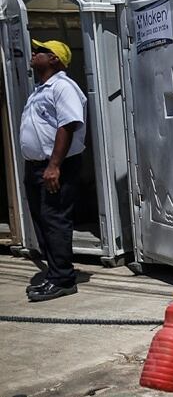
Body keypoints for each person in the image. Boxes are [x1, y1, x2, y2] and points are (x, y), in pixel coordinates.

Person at [21, 39, 87, 302]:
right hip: (37, 167)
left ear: (54, 59)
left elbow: (67, 125)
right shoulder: (40, 89)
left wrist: (54, 165)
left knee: (55, 220)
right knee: (42, 221)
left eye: (40, 51)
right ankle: (55, 274)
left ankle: (63, 280)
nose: (34, 53)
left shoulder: (63, 87)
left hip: (56, 166)